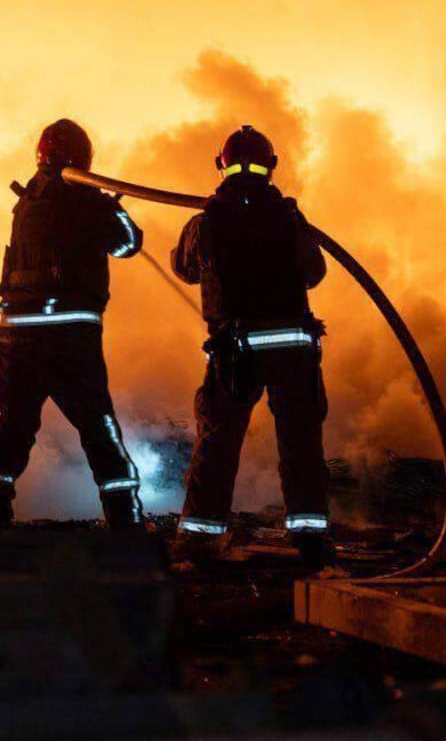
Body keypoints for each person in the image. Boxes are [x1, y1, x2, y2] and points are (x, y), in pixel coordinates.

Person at [171, 125, 334, 568]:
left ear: (220, 165)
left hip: (236, 352)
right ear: (272, 165)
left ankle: (199, 539)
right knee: (300, 443)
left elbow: (183, 268)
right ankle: (311, 539)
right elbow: (314, 272)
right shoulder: (289, 218)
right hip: (292, 351)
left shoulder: (206, 222)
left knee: (218, 443)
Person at [0, 119, 145, 530]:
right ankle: (125, 520)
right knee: (98, 425)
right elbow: (128, 243)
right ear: (83, 157)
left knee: (13, 423)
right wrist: (111, 205)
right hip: (68, 337)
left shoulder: (26, 202)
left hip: (16, 335)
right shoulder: (86, 200)